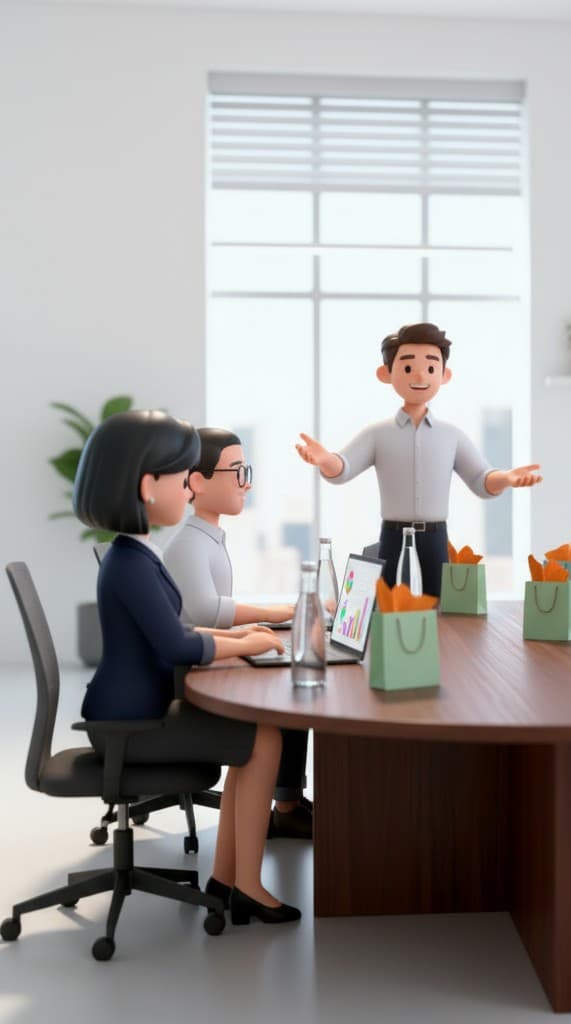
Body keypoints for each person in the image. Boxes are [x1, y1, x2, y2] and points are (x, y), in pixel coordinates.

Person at [73, 410, 300, 926]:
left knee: (259, 734)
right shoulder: (130, 563)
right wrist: (235, 640)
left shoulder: (137, 553)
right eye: (181, 480)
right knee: (263, 740)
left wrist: (239, 637)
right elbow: (176, 643)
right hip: (126, 728)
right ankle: (245, 885)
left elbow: (179, 627)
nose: (188, 489)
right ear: (149, 486)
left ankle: (229, 879)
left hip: (135, 711)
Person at [295, 322, 543, 598]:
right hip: (392, 536)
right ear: (386, 374)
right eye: (409, 367)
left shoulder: (451, 435)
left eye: (431, 367)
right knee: (388, 609)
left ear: (444, 375)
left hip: (435, 539)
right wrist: (325, 459)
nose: (421, 375)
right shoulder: (377, 434)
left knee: (439, 610)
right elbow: (344, 468)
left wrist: (507, 478)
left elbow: (481, 479)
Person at [164, 427, 312, 840]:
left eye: (245, 470)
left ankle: (288, 803)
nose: (246, 482)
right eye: (236, 471)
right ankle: (286, 805)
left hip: (202, 658)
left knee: (285, 675)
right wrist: (280, 613)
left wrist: (269, 621)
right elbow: (207, 611)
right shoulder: (188, 544)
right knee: (285, 691)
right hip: (190, 677)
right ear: (198, 482)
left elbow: (214, 610)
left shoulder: (206, 539)